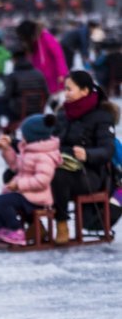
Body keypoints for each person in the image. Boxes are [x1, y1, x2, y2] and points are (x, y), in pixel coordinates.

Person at [50, 71, 118, 244]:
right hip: (62, 164)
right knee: (18, 174)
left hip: (91, 174)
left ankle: (62, 223)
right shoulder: (63, 115)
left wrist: (88, 154)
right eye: (64, 89)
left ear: (85, 91)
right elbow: (49, 139)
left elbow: (108, 149)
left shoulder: (102, 117)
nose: (65, 93)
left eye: (69, 89)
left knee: (59, 177)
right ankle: (33, 226)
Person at [0, 114, 61, 246]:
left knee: (3, 201)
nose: (21, 137)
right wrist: (6, 149)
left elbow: (42, 180)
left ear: (33, 135)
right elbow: (16, 166)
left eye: (23, 134)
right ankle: (5, 230)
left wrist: (19, 185)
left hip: (37, 199)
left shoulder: (44, 156)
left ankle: (17, 231)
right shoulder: (29, 151)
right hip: (25, 195)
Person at [0, 49, 49, 147]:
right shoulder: (39, 74)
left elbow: (5, 97)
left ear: (14, 60)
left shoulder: (13, 76)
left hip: (18, 113)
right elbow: (47, 94)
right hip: (38, 111)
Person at [16, 20, 68, 100]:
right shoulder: (33, 42)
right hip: (42, 78)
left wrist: (62, 73)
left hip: (53, 77)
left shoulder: (45, 37)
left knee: (54, 101)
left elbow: (58, 54)